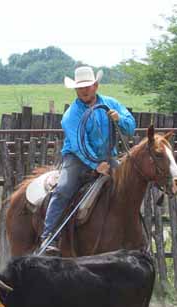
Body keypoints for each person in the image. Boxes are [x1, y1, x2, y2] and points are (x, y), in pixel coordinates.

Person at [39, 66, 136, 255]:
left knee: (129, 185)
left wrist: (120, 119)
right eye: (80, 87)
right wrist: (96, 165)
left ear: (96, 86)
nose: (84, 90)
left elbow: (131, 127)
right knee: (64, 189)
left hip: (108, 156)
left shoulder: (111, 104)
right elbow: (78, 145)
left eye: (88, 86)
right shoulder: (71, 115)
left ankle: (132, 231)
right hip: (77, 159)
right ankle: (49, 236)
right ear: (75, 90)